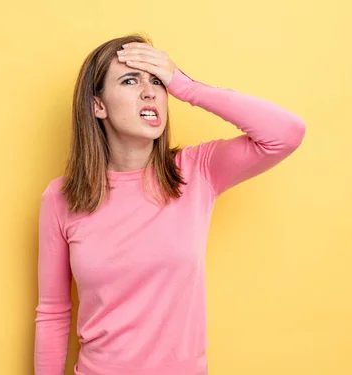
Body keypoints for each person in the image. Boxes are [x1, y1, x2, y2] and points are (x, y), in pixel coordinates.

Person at [34, 34, 306, 375]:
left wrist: (184, 85)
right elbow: (53, 313)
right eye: (130, 80)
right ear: (97, 105)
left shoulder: (197, 171)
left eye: (157, 81)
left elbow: (286, 133)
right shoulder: (61, 197)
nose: (150, 91)